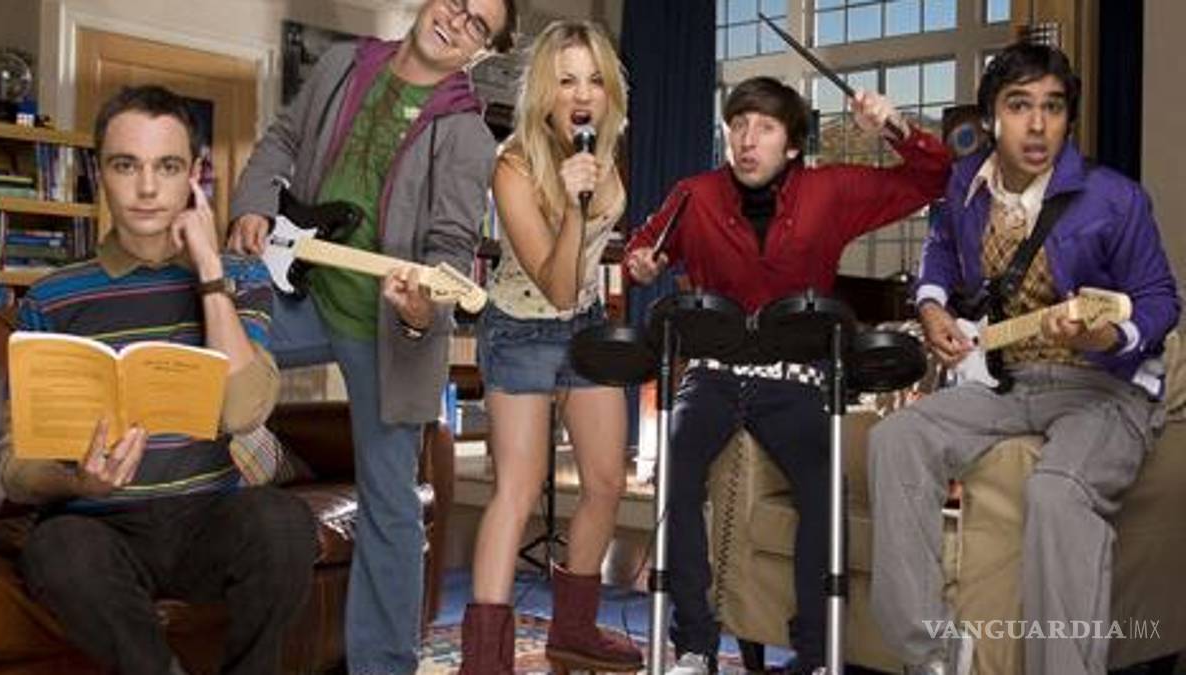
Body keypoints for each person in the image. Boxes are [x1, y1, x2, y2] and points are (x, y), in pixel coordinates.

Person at [867, 42, 1180, 675]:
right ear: (991, 118)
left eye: (1053, 107)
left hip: (1105, 389)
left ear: (1068, 119)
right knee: (896, 438)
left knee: (1057, 491)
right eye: (1019, 106)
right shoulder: (966, 183)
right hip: (1010, 381)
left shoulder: (1116, 198)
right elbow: (941, 251)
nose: (1037, 125)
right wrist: (931, 305)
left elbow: (1159, 300)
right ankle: (933, 653)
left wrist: (1109, 337)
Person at [226, 0, 517, 672]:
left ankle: (383, 663)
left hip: (385, 328)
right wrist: (254, 203)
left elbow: (449, 248)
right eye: (456, 2)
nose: (457, 20)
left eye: (477, 24)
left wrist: (420, 310)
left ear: (482, 50)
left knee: (391, 505)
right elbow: (283, 140)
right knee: (204, 353)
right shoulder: (342, 65)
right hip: (298, 286)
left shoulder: (469, 137)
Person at [626, 76, 952, 674]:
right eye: (738, 125)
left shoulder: (831, 191)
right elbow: (644, 249)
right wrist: (642, 264)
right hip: (713, 374)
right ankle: (694, 644)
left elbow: (934, 179)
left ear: (793, 144)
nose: (747, 140)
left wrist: (895, 128)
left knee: (825, 491)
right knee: (675, 474)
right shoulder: (693, 195)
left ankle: (816, 655)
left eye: (765, 127)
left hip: (796, 378)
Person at [0, 84, 315, 675]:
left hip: (208, 519)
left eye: (166, 167)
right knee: (55, 548)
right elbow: (15, 464)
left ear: (194, 176)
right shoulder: (51, 298)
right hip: (98, 525)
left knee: (285, 524)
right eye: (126, 165)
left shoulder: (242, 277)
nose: (146, 188)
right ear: (100, 174)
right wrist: (78, 480)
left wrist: (209, 271)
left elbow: (243, 411)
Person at [457, 20, 643, 675]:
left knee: (605, 482)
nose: (582, 93)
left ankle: (574, 629)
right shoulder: (512, 166)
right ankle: (484, 659)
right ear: (544, 91)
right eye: (566, 80)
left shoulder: (605, 148)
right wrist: (572, 203)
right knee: (517, 488)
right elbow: (555, 285)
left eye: (594, 79)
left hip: (585, 325)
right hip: (521, 328)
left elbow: (585, 278)